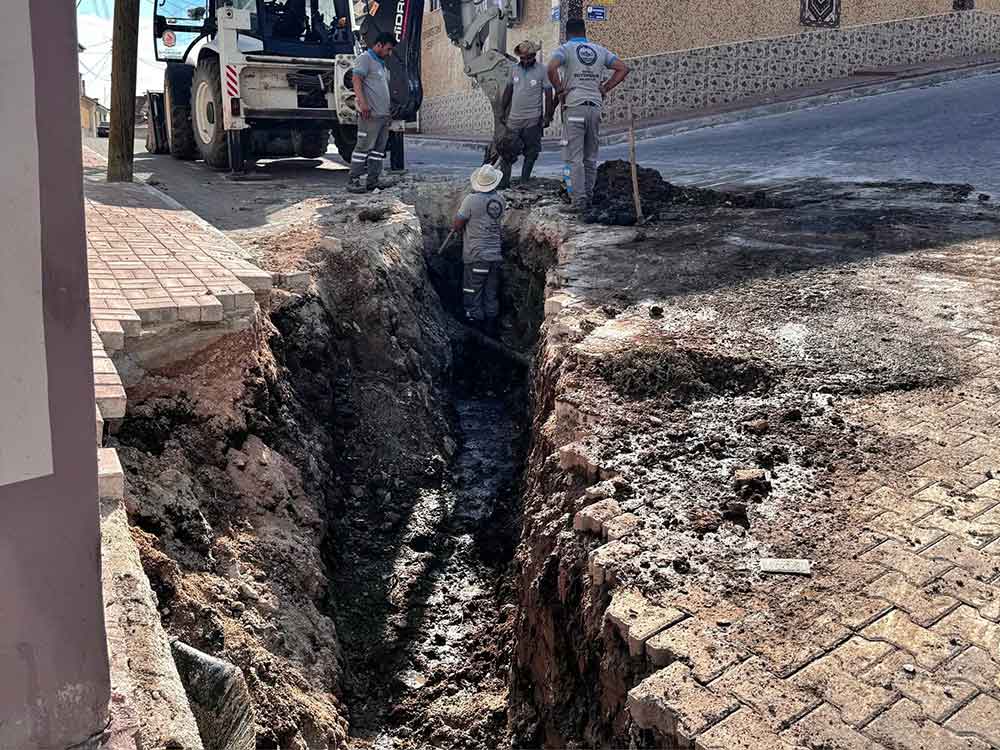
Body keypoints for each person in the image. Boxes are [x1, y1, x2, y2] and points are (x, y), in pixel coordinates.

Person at [547, 18, 629, 212]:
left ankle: (579, 201)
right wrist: (605, 87)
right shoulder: (599, 50)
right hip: (594, 107)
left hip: (574, 106)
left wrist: (559, 89)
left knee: (573, 157)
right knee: (590, 157)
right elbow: (623, 68)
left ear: (568, 33)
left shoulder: (565, 49)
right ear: (585, 31)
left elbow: (550, 68)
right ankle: (588, 198)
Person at [453, 164, 505, 336]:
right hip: (495, 257)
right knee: (490, 293)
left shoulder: (471, 200)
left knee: (472, 291)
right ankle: (491, 327)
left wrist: (459, 228)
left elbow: (458, 223)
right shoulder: (500, 200)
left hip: (477, 256)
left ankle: (475, 330)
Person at [499, 40, 555, 188]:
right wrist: (502, 110)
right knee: (507, 152)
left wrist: (548, 116)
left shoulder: (542, 70)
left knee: (531, 153)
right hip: (514, 120)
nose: (525, 60)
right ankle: (504, 182)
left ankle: (524, 181)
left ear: (534, 55)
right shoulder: (514, 69)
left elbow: (549, 93)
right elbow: (508, 90)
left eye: (528, 57)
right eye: (523, 58)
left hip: (533, 119)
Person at [348, 32, 396, 193]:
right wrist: (363, 104)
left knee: (378, 151)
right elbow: (356, 80)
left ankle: (373, 181)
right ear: (379, 45)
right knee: (363, 148)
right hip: (370, 114)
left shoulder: (381, 63)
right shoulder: (365, 59)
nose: (389, 53)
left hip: (382, 116)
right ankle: (353, 180)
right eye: (388, 49)